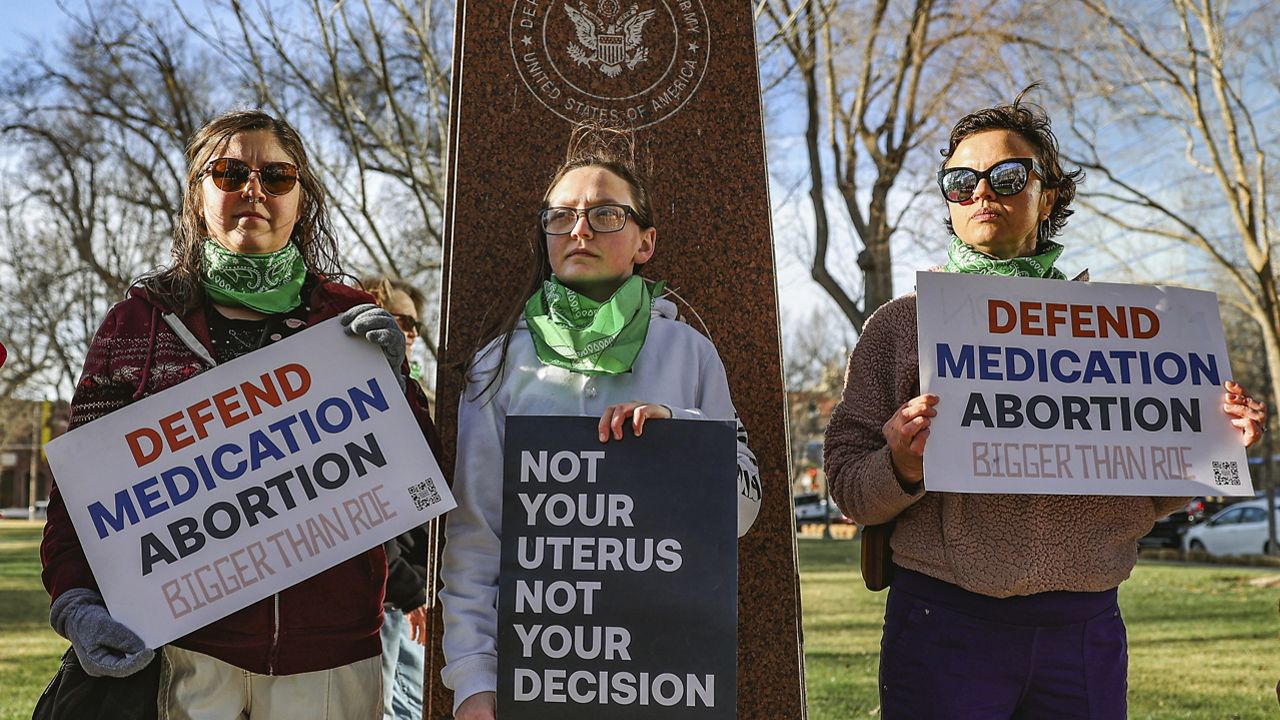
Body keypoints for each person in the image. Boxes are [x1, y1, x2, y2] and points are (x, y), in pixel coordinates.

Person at [822, 89, 1268, 719]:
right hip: (943, 621)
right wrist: (900, 465)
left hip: (1084, 630)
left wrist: (1211, 441)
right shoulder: (898, 328)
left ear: (1048, 195)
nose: (982, 192)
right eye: (960, 180)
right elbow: (846, 485)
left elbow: (1152, 490)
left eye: (1007, 176)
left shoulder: (1125, 329)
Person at [40, 109, 435, 720]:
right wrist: (75, 603)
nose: (254, 190)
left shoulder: (347, 318)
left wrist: (399, 388)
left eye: (277, 177)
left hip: (333, 659)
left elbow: (420, 482)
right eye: (229, 173)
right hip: (186, 651)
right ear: (198, 198)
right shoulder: (139, 323)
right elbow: (81, 492)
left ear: (301, 200)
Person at [439, 124, 763, 720]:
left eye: (606, 214)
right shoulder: (500, 362)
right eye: (560, 216)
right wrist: (472, 678)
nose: (580, 229)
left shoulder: (690, 354)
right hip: (539, 671)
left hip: (661, 676)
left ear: (645, 242)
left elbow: (743, 513)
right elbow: (475, 535)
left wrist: (680, 436)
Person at [363, 276, 432, 720]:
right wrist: (408, 589)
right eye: (402, 320)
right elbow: (363, 509)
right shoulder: (361, 393)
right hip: (385, 600)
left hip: (410, 598)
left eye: (416, 325)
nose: (410, 332)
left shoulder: (412, 393)